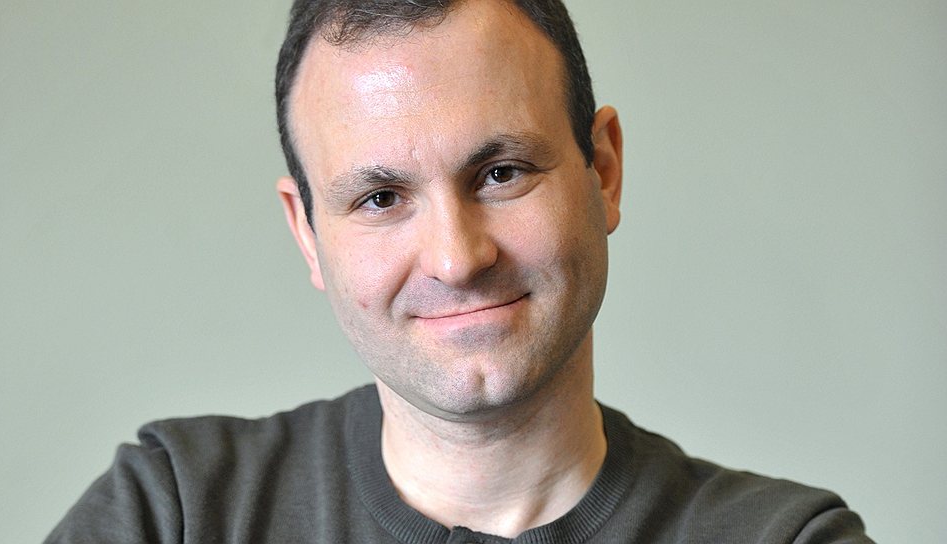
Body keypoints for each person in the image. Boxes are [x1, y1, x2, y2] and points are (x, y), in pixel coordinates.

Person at [46, 1, 874, 542]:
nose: (457, 257)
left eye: (502, 173)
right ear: (307, 233)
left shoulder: (784, 538)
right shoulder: (175, 511)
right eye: (380, 198)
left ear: (604, 171)